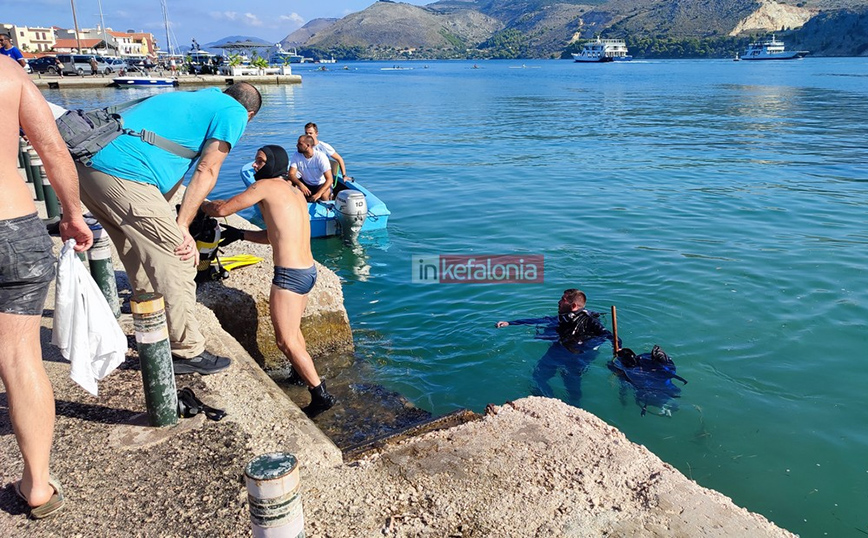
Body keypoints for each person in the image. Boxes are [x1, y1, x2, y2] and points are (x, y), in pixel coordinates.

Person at [75, 82, 261, 375]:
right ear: (249, 114)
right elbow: (207, 170)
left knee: (136, 250)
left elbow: (175, 167)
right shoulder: (234, 112)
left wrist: (165, 217)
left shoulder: (194, 100)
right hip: (126, 172)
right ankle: (186, 351)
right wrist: (182, 225)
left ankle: (152, 324)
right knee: (179, 256)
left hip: (89, 169)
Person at [0, 59, 93, 518]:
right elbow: (54, 149)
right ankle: (37, 483)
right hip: (14, 229)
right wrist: (72, 214)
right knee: (19, 356)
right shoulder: (7, 73)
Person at [201, 160, 338, 418]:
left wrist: (199, 204)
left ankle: (321, 395)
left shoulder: (264, 185)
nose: (255, 164)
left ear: (271, 164)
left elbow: (221, 209)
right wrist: (240, 235)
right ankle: (299, 374)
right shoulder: (293, 191)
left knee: (285, 340)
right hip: (307, 272)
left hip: (289, 277)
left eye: (260, 160)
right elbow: (274, 235)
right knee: (294, 331)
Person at [496, 289, 616, 405]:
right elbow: (540, 320)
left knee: (571, 383)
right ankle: (549, 403)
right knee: (538, 376)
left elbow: (609, 336)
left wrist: (617, 349)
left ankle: (574, 407)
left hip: (578, 354)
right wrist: (510, 323)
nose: (558, 302)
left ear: (573, 306)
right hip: (559, 349)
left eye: (562, 300)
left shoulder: (590, 321)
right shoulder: (563, 318)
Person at [288, 134, 334, 202]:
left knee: (324, 194)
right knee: (288, 183)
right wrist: (301, 185)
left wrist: (318, 194)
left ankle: (327, 208)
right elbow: (291, 174)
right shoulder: (296, 155)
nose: (297, 145)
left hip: (320, 184)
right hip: (305, 183)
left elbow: (330, 179)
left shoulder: (321, 157)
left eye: (300, 144)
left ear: (308, 146)